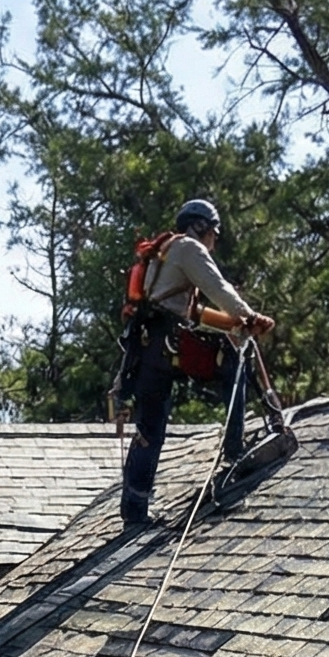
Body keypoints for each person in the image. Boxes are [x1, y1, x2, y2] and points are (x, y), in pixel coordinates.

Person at [115, 198, 277, 528]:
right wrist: (250, 317)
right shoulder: (189, 248)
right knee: (232, 361)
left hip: (147, 348)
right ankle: (234, 451)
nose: (214, 239)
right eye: (214, 232)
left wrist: (233, 323)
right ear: (200, 227)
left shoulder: (163, 252)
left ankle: (135, 509)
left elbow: (191, 311)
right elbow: (218, 288)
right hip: (169, 343)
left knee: (149, 429)